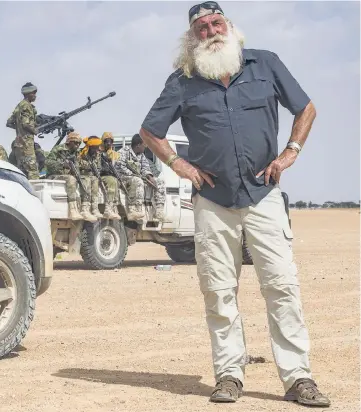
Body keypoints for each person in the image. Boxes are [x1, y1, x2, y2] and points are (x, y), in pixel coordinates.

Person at [138, 1, 329, 407]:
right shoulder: (182, 81)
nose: (211, 31)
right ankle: (228, 375)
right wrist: (180, 165)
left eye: (216, 22)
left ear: (230, 26)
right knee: (219, 291)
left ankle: (298, 379)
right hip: (213, 201)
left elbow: (306, 107)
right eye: (202, 28)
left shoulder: (266, 64)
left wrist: (291, 150)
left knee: (281, 286)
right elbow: (150, 131)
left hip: (263, 196)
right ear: (192, 38)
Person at [45, 132, 97, 222]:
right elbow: (48, 163)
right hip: (55, 175)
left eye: (79, 143)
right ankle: (73, 210)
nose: (77, 145)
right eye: (75, 143)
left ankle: (85, 209)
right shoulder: (59, 149)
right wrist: (62, 164)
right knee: (71, 179)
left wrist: (88, 166)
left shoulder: (77, 153)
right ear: (69, 142)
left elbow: (80, 164)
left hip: (71, 174)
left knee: (86, 179)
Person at [115, 134, 166, 222]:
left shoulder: (141, 155)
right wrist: (136, 175)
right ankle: (136, 209)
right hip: (123, 178)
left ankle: (159, 211)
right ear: (138, 145)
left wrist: (149, 176)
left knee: (160, 181)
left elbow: (145, 167)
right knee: (137, 180)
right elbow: (120, 167)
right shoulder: (123, 152)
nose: (145, 147)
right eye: (144, 145)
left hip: (136, 177)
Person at [78, 135, 121, 220]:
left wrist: (101, 170)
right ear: (90, 147)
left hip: (94, 176)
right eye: (94, 148)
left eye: (97, 147)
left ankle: (96, 209)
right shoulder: (81, 154)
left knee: (101, 180)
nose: (96, 150)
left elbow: (99, 167)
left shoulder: (98, 155)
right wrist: (88, 167)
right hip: (84, 175)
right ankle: (85, 210)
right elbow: (78, 165)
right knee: (88, 181)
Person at [6, 82, 40, 180]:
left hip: (19, 144)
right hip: (26, 144)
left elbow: (9, 123)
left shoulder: (19, 106)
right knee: (32, 171)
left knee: (23, 171)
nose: (35, 95)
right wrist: (34, 130)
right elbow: (25, 124)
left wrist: (19, 129)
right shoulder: (27, 106)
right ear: (28, 93)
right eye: (33, 93)